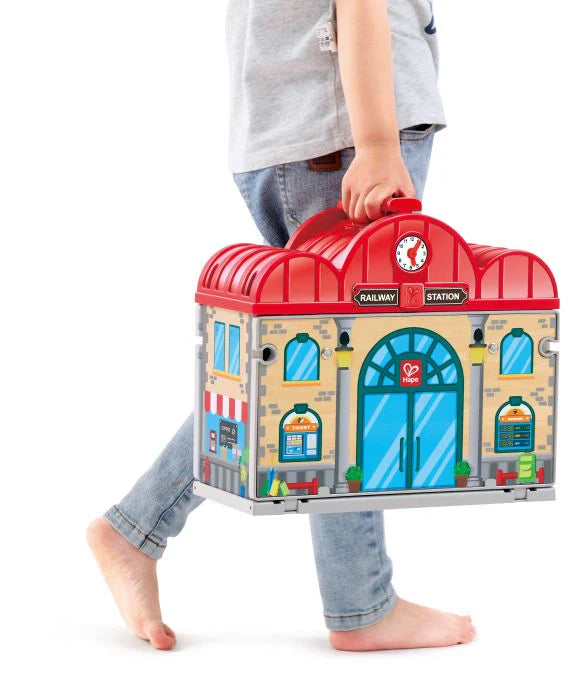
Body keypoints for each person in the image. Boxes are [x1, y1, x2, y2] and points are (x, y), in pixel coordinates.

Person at [88, 0, 476, 652]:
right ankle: (360, 602)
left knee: (309, 365)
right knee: (353, 363)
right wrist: (378, 142)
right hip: (344, 134)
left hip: (290, 133)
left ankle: (137, 527)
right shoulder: (363, 136)